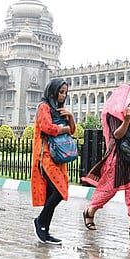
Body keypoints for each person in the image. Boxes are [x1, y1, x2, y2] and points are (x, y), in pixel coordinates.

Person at [81, 84, 130, 237]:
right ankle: (90, 211)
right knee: (108, 190)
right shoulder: (111, 114)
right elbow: (117, 135)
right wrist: (126, 121)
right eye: (129, 99)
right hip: (117, 158)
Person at [31, 79, 76, 245]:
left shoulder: (59, 110)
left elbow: (73, 129)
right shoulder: (44, 107)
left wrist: (70, 116)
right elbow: (47, 127)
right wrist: (64, 128)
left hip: (58, 157)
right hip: (46, 156)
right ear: (53, 91)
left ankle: (45, 230)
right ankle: (40, 222)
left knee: (54, 193)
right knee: (59, 192)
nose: (63, 96)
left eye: (65, 92)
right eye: (60, 92)